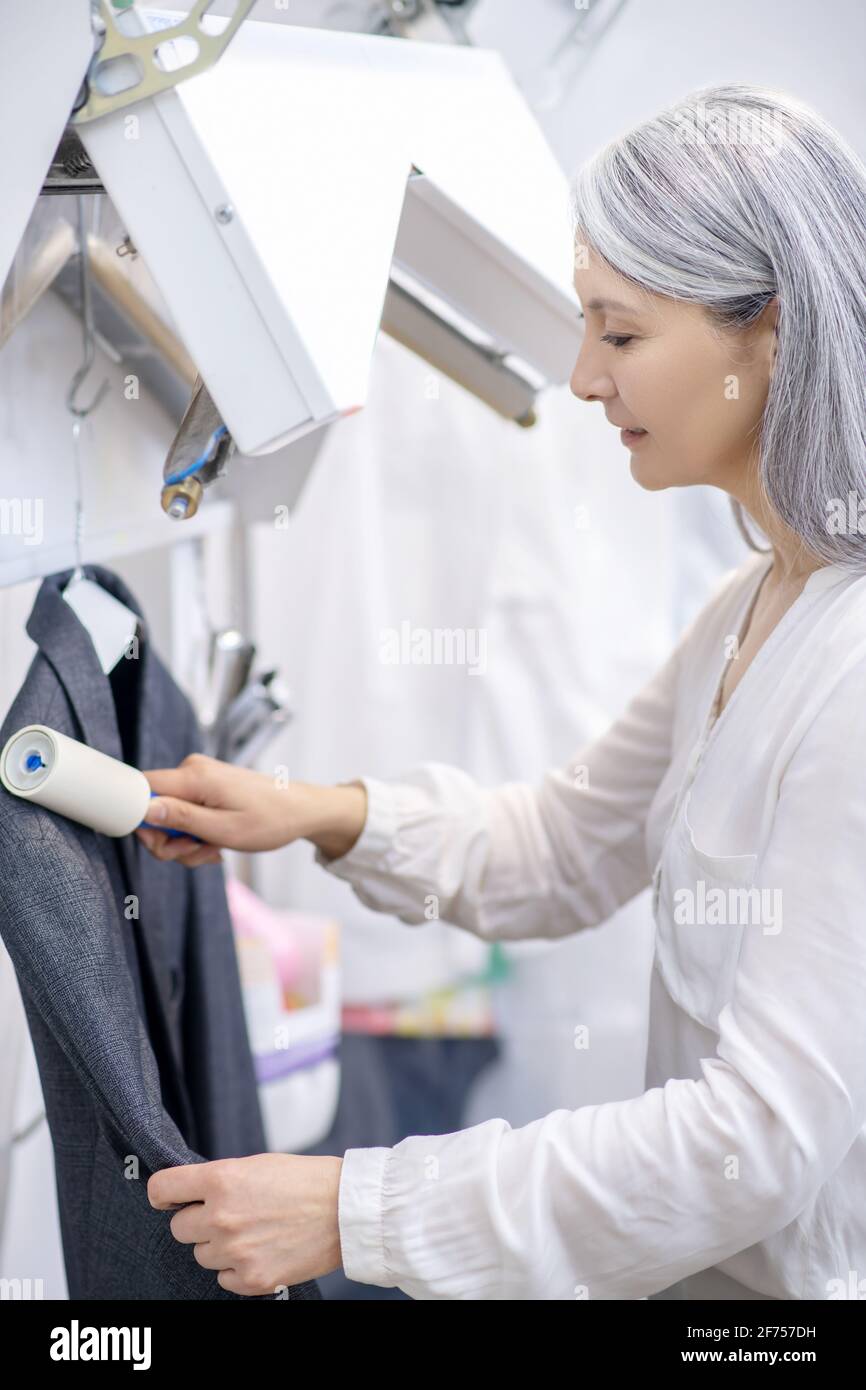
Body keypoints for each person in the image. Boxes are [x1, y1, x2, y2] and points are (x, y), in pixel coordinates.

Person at [137, 82, 866, 1301]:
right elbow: (565, 842)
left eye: (620, 334)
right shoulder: (755, 604)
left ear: (771, 336)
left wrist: (354, 1207)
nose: (582, 378)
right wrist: (320, 813)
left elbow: (752, 1144)